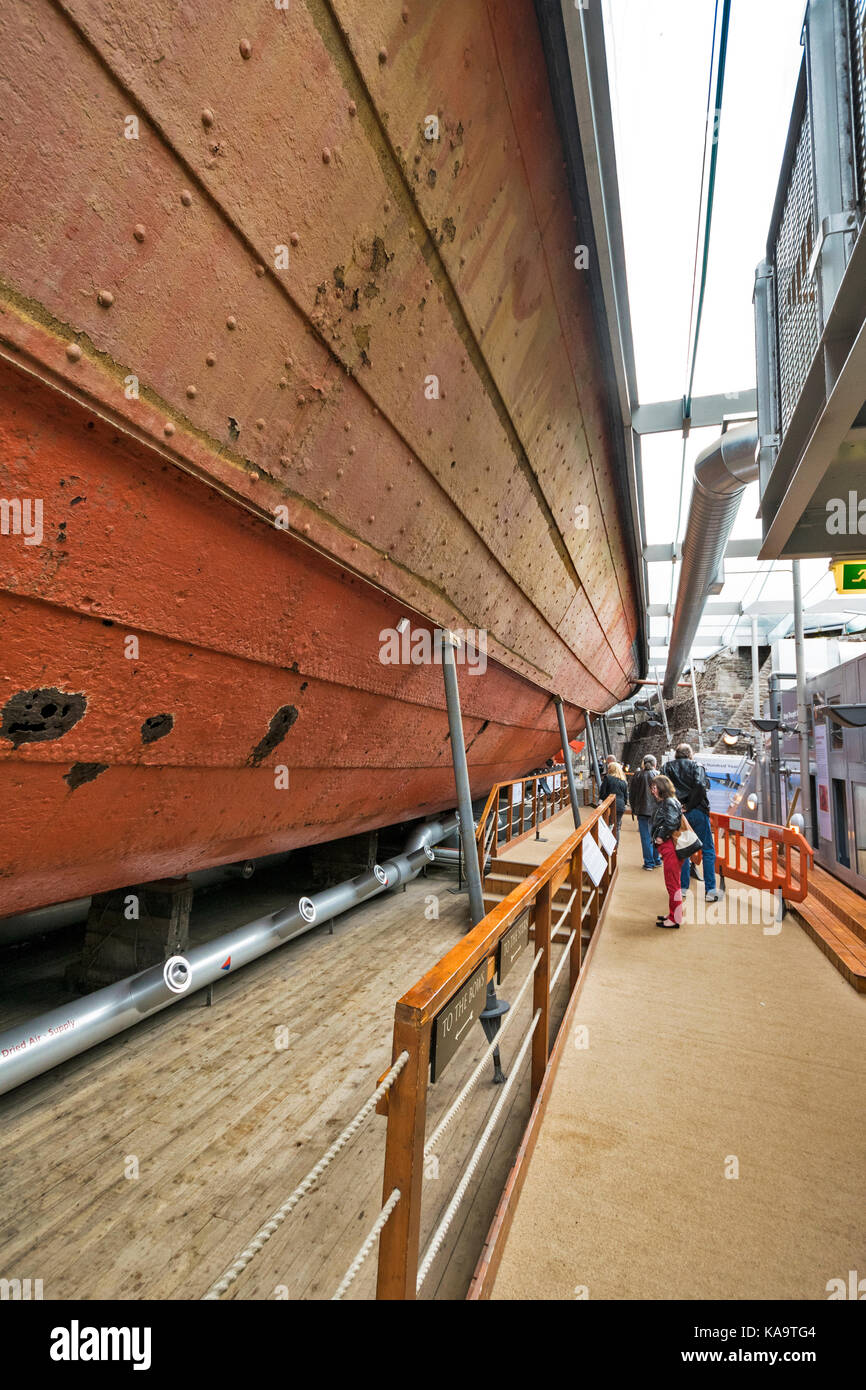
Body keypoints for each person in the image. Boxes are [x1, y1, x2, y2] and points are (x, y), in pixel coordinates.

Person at [663, 744, 719, 903]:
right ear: (690, 754)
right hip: (698, 811)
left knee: (683, 849)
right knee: (707, 849)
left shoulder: (667, 767)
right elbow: (700, 785)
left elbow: (662, 788)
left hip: (679, 813)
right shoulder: (697, 766)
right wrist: (690, 804)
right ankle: (710, 890)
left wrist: (677, 805)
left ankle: (682, 888)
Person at [650, 774, 685, 927]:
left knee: (673, 885)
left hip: (670, 848)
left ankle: (675, 919)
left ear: (661, 788)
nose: (652, 791)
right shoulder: (671, 801)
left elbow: (670, 823)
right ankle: (673, 914)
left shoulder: (668, 803)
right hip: (671, 848)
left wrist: (661, 837)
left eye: (654, 787)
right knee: (673, 883)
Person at [630, 754, 662, 870]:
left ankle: (649, 863)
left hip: (642, 810)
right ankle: (656, 859)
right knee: (656, 836)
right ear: (655, 764)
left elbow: (632, 794)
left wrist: (634, 809)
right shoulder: (659, 775)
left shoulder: (637, 775)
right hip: (657, 811)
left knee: (646, 837)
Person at [598, 759, 629, 840]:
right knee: (617, 826)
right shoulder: (623, 781)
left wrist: (602, 801)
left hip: (610, 805)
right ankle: (615, 846)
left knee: (608, 825)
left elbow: (603, 792)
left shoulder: (608, 778)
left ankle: (608, 846)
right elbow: (625, 796)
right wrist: (624, 804)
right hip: (620, 806)